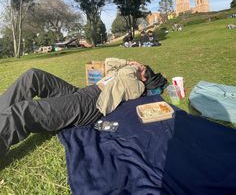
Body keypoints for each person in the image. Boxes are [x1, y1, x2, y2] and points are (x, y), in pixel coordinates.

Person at [0, 58, 167, 157]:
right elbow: (109, 63)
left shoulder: (136, 86)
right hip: (80, 93)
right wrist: (126, 62)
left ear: (145, 78)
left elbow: (125, 73)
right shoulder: (125, 74)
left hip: (90, 104)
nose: (138, 67)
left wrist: (134, 67)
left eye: (142, 69)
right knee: (33, 75)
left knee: (21, 112)